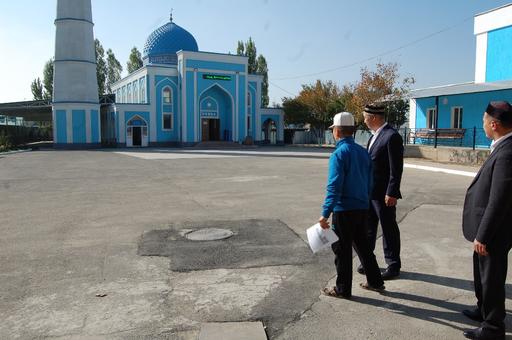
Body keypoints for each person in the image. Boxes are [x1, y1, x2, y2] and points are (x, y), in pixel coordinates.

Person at [319, 111, 385, 299]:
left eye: (333, 130)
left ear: (337, 132)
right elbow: (370, 180)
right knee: (363, 246)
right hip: (362, 207)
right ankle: (375, 281)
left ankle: (343, 289)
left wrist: (325, 213)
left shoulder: (339, 154)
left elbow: (334, 186)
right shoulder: (362, 152)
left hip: (344, 210)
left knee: (342, 250)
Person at [461, 101, 512, 340]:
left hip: (493, 232)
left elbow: (499, 198)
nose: (481, 124)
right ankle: (483, 310)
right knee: (482, 275)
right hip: (486, 228)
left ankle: (493, 328)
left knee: (491, 279)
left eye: (483, 120)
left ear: (494, 124)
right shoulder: (501, 146)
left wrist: (484, 234)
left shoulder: (508, 152)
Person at [358, 104, 404, 280]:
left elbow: (396, 168)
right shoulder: (375, 136)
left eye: (365, 117)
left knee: (388, 228)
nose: (364, 120)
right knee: (368, 229)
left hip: (384, 194)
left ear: (374, 117)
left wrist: (392, 192)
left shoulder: (391, 136)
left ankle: (393, 264)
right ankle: (368, 261)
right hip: (370, 192)